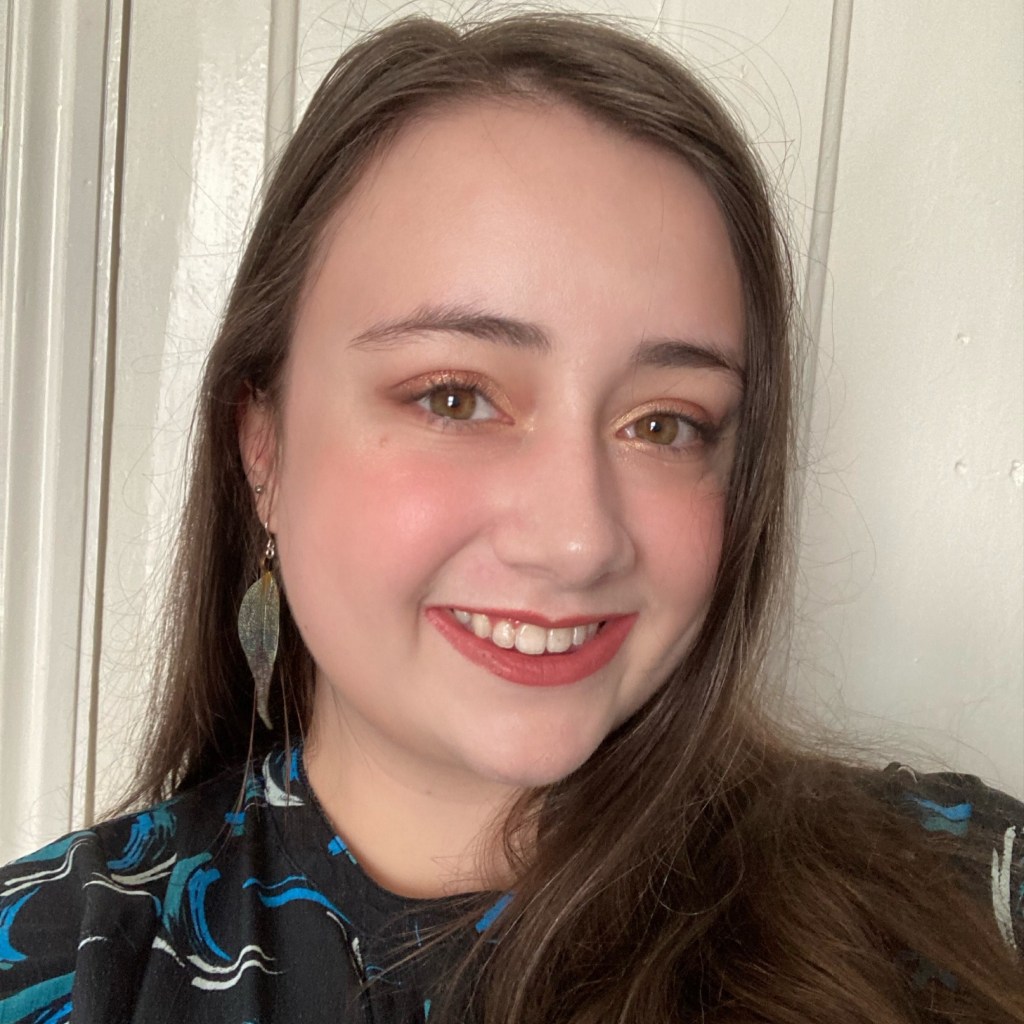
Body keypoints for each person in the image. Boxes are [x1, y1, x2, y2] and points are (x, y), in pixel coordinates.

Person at [0, 12, 1021, 1023]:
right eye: (454, 397)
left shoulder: (967, 903)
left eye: (664, 422)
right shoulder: (52, 960)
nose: (578, 539)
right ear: (261, 445)